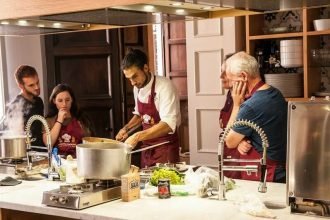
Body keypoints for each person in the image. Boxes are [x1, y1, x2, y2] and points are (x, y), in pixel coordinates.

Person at [224, 51, 287, 183]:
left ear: (243, 76)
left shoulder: (250, 107)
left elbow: (229, 141)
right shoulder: (275, 93)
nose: (230, 86)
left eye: (232, 80)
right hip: (281, 168)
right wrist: (243, 138)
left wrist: (236, 105)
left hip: (266, 173)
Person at [115, 49, 181, 168]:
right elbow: (141, 115)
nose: (132, 83)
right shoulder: (137, 88)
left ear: (145, 68)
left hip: (165, 149)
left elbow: (168, 124)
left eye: (135, 76)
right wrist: (126, 129)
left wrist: (137, 136)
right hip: (147, 149)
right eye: (129, 78)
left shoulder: (165, 87)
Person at [43, 84, 93, 158]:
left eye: (67, 100)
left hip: (79, 160)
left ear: (72, 100)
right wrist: (59, 120)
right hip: (57, 162)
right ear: (54, 101)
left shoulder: (81, 119)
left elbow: (90, 143)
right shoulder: (48, 121)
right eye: (60, 101)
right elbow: (48, 143)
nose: (64, 104)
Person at [3, 65, 45, 151]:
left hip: (40, 152)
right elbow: (17, 139)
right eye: (31, 85)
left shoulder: (39, 101)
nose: (37, 87)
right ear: (21, 86)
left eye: (37, 82)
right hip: (26, 154)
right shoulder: (15, 107)